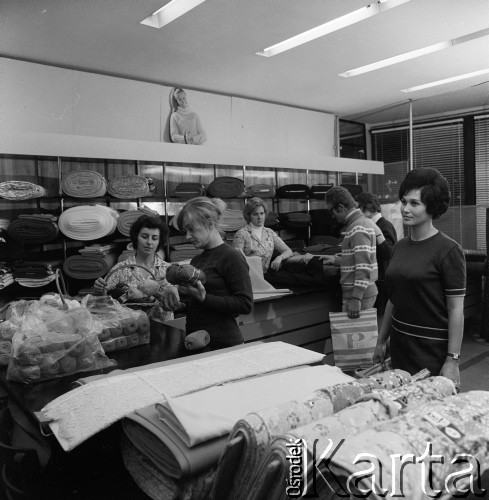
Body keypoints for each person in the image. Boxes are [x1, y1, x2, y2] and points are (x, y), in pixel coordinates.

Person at [373, 168, 466, 387]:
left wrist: (452, 360)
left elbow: (456, 309)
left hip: (431, 351)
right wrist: (380, 340)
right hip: (400, 345)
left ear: (432, 207)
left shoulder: (448, 250)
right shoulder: (399, 247)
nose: (405, 209)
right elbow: (393, 300)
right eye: (404, 202)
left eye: (415, 203)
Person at [176, 197, 253, 350]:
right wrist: (177, 303)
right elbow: (197, 306)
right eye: (186, 231)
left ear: (210, 223)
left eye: (191, 229)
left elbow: (245, 304)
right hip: (196, 342)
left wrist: (205, 298)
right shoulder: (197, 260)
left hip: (224, 345)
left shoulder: (232, 257)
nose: (187, 237)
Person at [93, 215, 179, 323]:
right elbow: (102, 304)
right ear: (136, 237)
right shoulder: (120, 269)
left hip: (163, 329)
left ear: (159, 241)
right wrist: (99, 290)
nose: (149, 242)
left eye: (154, 238)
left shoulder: (168, 270)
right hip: (131, 331)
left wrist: (162, 293)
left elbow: (177, 303)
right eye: (144, 236)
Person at [321, 186, 378, 319]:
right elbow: (358, 260)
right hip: (360, 294)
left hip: (358, 296)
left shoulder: (358, 227)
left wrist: (356, 299)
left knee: (355, 338)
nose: (332, 216)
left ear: (340, 207)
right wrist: (336, 261)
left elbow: (364, 266)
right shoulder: (361, 223)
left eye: (332, 211)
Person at [355, 191, 397, 315]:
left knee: (379, 321)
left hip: (382, 282)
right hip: (376, 280)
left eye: (358, 208)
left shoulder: (384, 225)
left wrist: (377, 232)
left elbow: (389, 252)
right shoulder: (369, 225)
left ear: (367, 208)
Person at [232, 197, 293, 273]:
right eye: (255, 214)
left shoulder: (269, 232)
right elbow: (236, 261)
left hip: (266, 274)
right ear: (249, 216)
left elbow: (288, 251)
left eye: (262, 213)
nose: (259, 217)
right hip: (249, 276)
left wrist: (280, 257)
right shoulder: (241, 234)